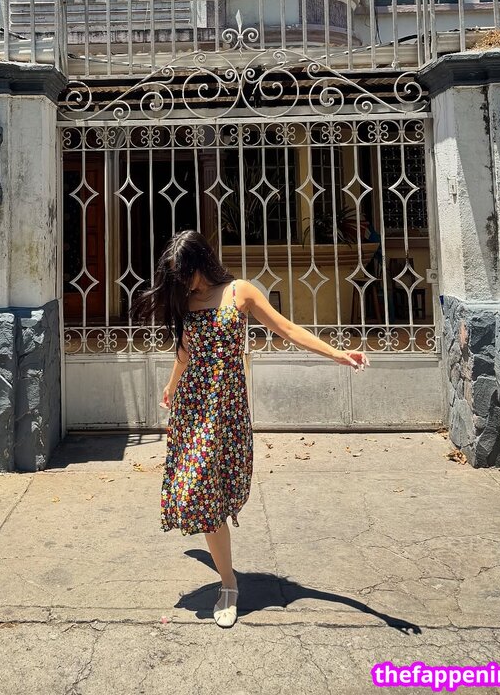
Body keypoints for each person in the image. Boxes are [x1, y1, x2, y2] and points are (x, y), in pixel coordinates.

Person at [131, 229, 369, 629]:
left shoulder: (239, 292)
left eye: (185, 272)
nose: (183, 282)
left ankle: (228, 581)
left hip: (226, 408)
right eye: (175, 276)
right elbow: (185, 350)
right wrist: (172, 385)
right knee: (200, 490)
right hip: (193, 407)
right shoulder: (186, 299)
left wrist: (337, 354)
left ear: (201, 262)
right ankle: (228, 582)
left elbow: (288, 329)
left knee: (213, 490)